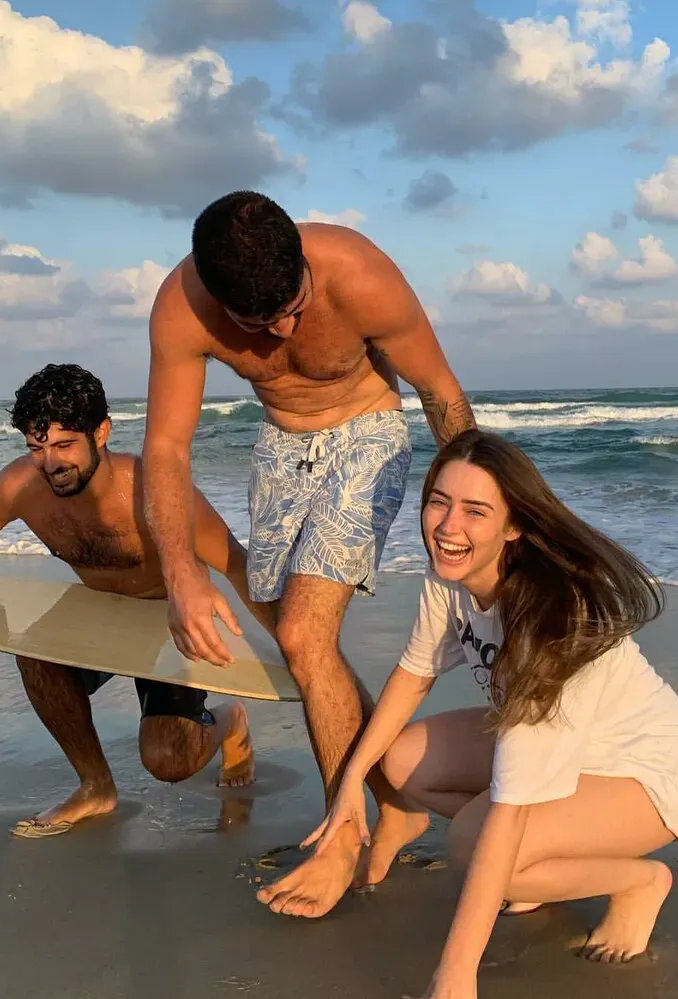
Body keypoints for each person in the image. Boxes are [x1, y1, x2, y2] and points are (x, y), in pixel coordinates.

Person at [143, 190, 476, 915]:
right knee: (302, 646)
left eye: (294, 307)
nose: (285, 330)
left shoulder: (359, 275)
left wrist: (480, 511)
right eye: (261, 324)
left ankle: (341, 836)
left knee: (301, 636)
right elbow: (165, 448)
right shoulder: (182, 308)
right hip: (279, 451)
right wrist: (181, 572)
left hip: (368, 434)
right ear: (221, 301)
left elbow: (439, 389)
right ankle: (395, 804)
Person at [298, 430, 678, 995]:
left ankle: (636, 882)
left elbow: (508, 813)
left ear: (513, 526)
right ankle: (538, 865)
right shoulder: (451, 575)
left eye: (475, 511)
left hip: (645, 778)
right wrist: (351, 782)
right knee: (402, 760)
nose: (448, 527)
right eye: (438, 502)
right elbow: (414, 674)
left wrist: (454, 975)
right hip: (571, 755)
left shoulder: (547, 625)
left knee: (476, 844)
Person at [0, 363, 273, 838]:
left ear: (101, 432)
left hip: (164, 620)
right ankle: (95, 786)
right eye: (36, 448)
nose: (50, 463)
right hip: (98, 612)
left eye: (64, 445)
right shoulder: (25, 486)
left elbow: (236, 564)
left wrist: (294, 645)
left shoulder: (152, 493)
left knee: (169, 760)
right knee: (32, 651)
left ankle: (228, 721)